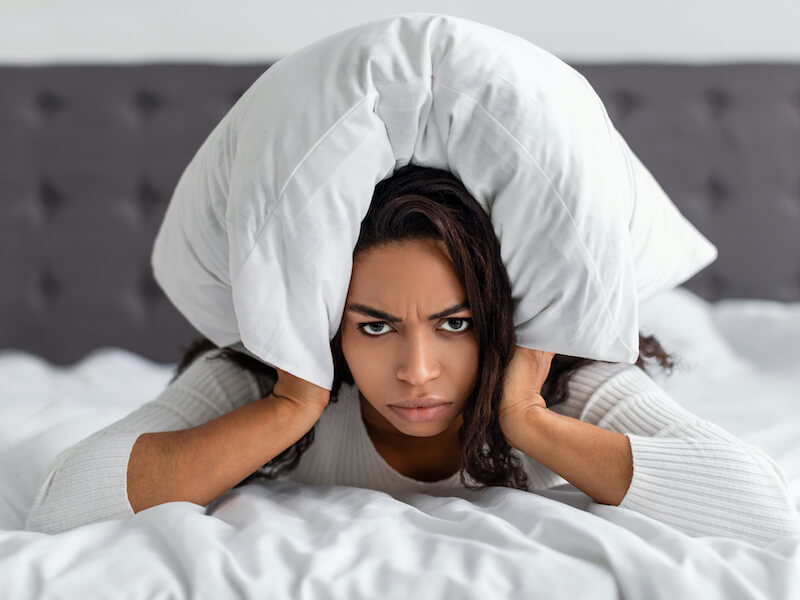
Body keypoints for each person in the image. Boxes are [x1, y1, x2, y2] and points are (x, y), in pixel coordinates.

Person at [25, 165, 800, 546]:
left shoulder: (564, 376)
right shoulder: (268, 383)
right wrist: (293, 407)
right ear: (327, 323)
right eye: (374, 327)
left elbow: (767, 512)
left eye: (455, 324)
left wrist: (526, 419)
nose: (418, 370)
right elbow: (63, 503)